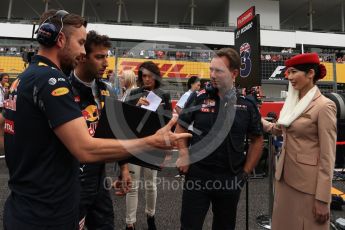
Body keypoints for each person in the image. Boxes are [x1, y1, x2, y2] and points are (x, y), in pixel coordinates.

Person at [2, 10, 190, 230]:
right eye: (81, 43)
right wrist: (151, 142)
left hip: (43, 197)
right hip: (48, 206)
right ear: (60, 40)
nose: (82, 51)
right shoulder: (53, 81)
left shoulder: (24, 79)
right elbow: (85, 149)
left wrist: (124, 169)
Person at [175, 48, 264, 230]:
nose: (212, 75)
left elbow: (257, 140)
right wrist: (183, 154)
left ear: (234, 73)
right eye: (211, 70)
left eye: (219, 70)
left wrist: (245, 173)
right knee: (189, 226)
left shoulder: (247, 104)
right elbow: (180, 127)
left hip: (230, 178)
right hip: (197, 176)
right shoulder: (198, 98)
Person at [262, 53, 337, 230]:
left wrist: (322, 198)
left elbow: (328, 157)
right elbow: (279, 130)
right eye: (288, 72)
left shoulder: (324, 106)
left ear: (310, 73)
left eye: (294, 72)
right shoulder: (293, 103)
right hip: (285, 179)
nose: (289, 77)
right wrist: (258, 120)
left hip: (308, 187)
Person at [70, 30, 131, 229]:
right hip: (69, 182)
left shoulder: (106, 89)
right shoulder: (63, 89)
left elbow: (113, 131)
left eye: (107, 56)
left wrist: (123, 168)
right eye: (99, 57)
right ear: (82, 57)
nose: (106, 62)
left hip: (99, 180)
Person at [125, 61, 172, 230]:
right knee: (133, 185)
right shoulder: (134, 93)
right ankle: (130, 223)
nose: (146, 79)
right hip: (135, 144)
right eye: (143, 76)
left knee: (151, 184)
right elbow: (127, 121)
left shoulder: (163, 95)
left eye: (150, 76)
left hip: (155, 145)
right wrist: (137, 106)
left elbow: (168, 123)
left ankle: (150, 215)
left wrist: (167, 148)